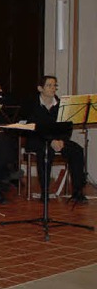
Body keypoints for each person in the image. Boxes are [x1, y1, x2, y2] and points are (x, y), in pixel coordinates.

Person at [26, 75, 87, 203]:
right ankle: (45, 192)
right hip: (39, 140)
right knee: (45, 152)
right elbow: (33, 128)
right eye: (49, 85)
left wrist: (61, 140)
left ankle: (77, 191)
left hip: (59, 140)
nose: (53, 88)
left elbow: (67, 127)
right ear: (40, 88)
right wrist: (50, 140)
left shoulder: (61, 105)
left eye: (55, 85)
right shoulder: (31, 104)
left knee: (77, 151)